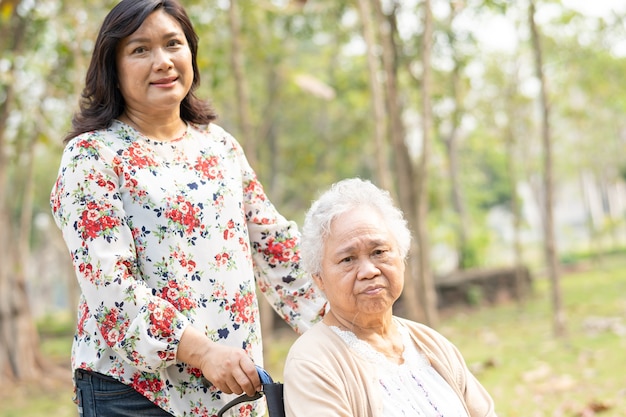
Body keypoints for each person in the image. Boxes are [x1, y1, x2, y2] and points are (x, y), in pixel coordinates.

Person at [49, 0, 326, 416]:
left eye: (173, 44)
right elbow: (111, 289)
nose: (162, 62)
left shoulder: (219, 146)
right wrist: (203, 353)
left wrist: (344, 325)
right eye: (140, 50)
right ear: (114, 67)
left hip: (232, 383)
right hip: (135, 393)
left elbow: (275, 247)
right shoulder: (91, 157)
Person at [283, 178, 497, 417]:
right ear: (319, 277)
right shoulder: (312, 363)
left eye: (379, 252)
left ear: (401, 257)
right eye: (348, 259)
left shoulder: (432, 344)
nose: (369, 271)